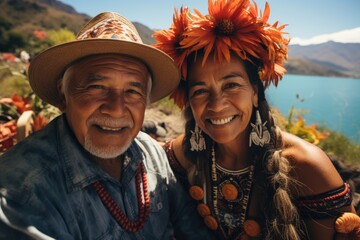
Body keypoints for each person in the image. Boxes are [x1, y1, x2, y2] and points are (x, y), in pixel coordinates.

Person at [153, 0, 359, 239]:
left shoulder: (307, 167)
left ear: (254, 92)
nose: (217, 104)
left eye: (231, 85)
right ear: (188, 100)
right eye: (200, 91)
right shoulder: (183, 153)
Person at [0, 12, 215, 240]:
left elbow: (192, 229)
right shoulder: (22, 193)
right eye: (97, 87)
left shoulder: (149, 152)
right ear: (64, 95)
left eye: (133, 91)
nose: (116, 108)